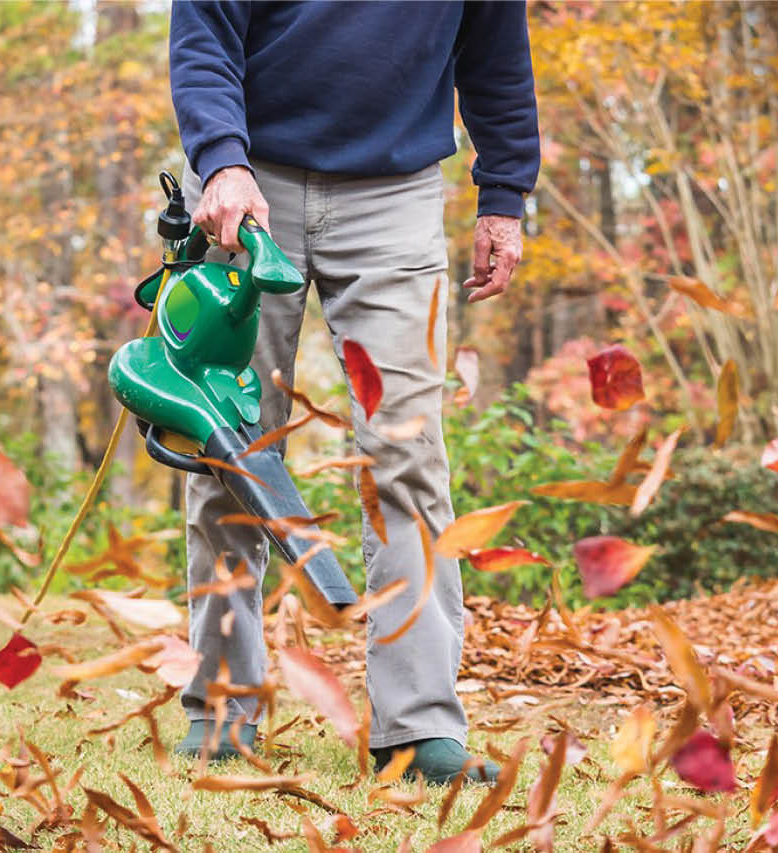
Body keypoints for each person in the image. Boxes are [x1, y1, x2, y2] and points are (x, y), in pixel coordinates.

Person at [168, 0, 539, 785]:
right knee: (229, 444)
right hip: (249, 187)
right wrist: (221, 159)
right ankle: (223, 709)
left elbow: (497, 57)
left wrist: (504, 194)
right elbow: (203, 34)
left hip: (395, 193)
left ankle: (418, 726)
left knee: (407, 452)